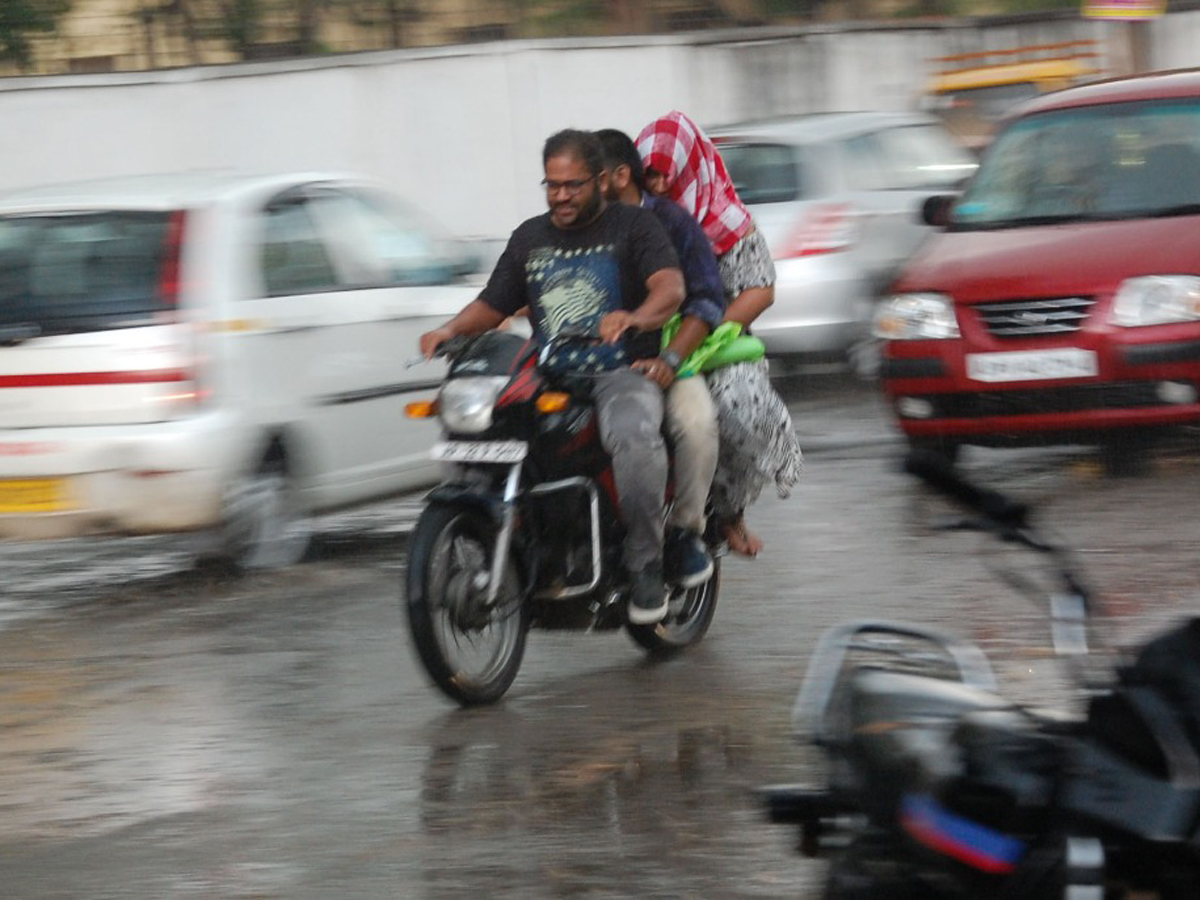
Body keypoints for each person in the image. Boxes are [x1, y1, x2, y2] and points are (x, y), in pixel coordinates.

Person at [419, 129, 685, 625]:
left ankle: (646, 562)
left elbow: (669, 287)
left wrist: (636, 318)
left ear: (601, 181)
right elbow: (492, 303)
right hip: (546, 374)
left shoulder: (636, 227)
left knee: (632, 434)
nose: (561, 195)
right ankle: (503, 544)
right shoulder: (529, 238)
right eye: (552, 184)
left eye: (573, 185)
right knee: (473, 429)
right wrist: (450, 329)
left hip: (620, 372)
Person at [637, 110, 802, 558]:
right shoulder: (638, 218)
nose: (653, 185)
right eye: (645, 174)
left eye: (661, 175)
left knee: (735, 406)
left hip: (721, 342)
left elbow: (761, 289)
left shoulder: (729, 222)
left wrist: (710, 330)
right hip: (652, 340)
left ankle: (729, 513)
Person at [595, 127, 723, 590]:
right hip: (586, 366)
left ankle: (685, 532)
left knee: (696, 423)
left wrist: (669, 359)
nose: (575, 191)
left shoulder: (671, 221)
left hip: (661, 363)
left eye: (591, 177)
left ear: (621, 176)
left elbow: (706, 301)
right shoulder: (575, 228)